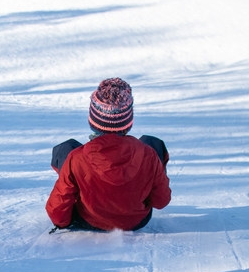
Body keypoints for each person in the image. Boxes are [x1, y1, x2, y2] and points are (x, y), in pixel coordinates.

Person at [45, 78, 171, 231]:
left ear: (93, 120)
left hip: (90, 220)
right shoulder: (148, 154)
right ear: (128, 122)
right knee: (152, 142)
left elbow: (57, 210)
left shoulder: (76, 158)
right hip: (136, 221)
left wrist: (62, 222)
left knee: (65, 149)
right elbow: (161, 201)